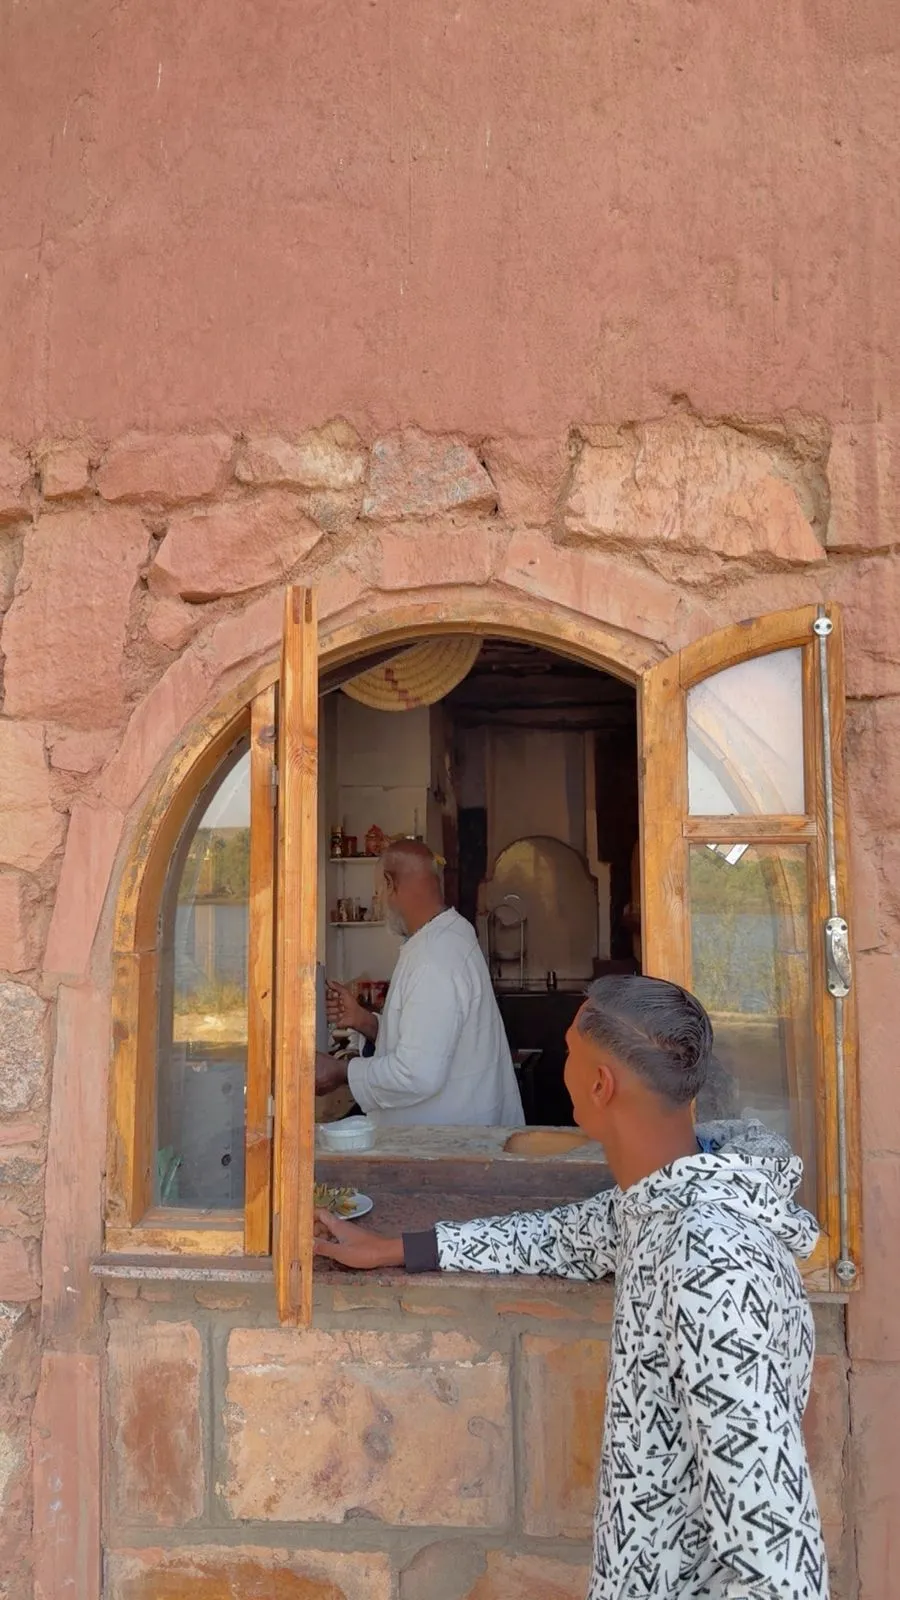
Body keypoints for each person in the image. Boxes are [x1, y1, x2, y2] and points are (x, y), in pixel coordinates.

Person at [315, 974, 827, 1600]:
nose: (563, 1068)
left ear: (600, 1084)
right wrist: (394, 1248)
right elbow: (560, 1236)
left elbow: (778, 1563)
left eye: (569, 1051)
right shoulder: (667, 1199)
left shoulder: (709, 1264)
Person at [316, 839, 524, 1128]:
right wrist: (364, 1021)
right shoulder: (446, 934)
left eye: (378, 891)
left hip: (451, 1140)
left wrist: (341, 1071)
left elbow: (416, 1073)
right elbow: (426, 1040)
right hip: (456, 1133)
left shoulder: (434, 956)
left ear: (390, 884)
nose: (379, 902)